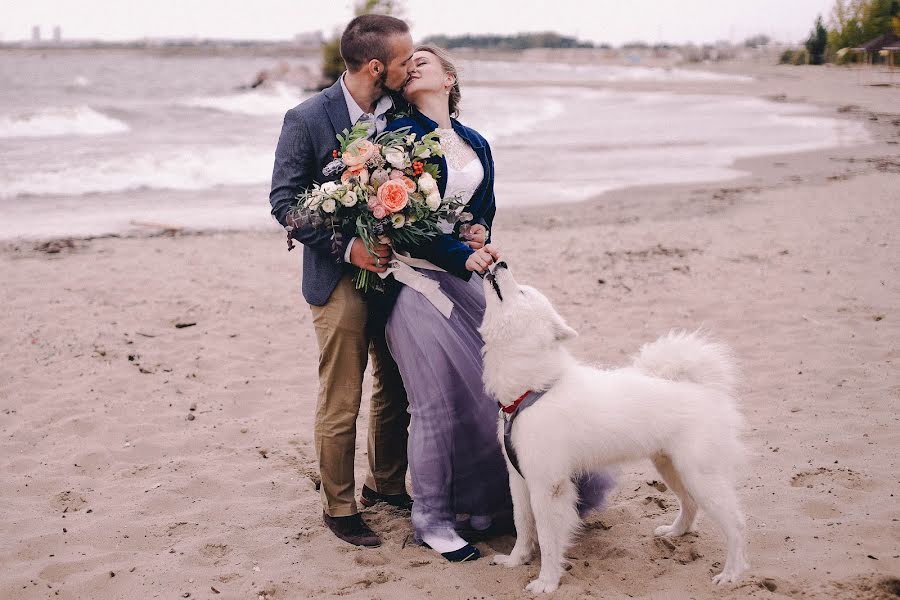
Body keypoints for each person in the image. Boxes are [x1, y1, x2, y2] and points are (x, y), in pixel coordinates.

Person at [382, 46, 614, 563]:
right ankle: (434, 521)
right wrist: (461, 256)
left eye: (426, 59)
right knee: (435, 406)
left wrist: (479, 236)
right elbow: (403, 226)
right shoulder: (396, 140)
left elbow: (483, 208)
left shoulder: (476, 142)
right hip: (414, 285)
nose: (415, 64)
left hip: (468, 279)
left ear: (449, 77)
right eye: (409, 63)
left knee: (493, 401)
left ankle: (483, 507)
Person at [268, 14, 416, 548]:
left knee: (395, 387)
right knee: (342, 396)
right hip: (337, 278)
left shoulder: (401, 113)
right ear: (377, 66)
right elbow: (283, 202)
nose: (411, 66)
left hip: (396, 275)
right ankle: (339, 505)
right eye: (405, 60)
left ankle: (388, 484)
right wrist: (350, 248)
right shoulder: (306, 118)